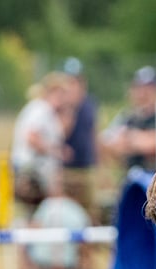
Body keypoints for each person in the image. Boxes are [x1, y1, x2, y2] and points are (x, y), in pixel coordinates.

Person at [10, 72, 71, 215]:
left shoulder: (44, 110)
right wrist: (55, 151)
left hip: (37, 173)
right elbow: (31, 137)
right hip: (33, 173)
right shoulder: (41, 109)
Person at [100, 66, 156, 173]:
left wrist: (127, 137)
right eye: (139, 88)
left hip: (154, 176)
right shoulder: (128, 116)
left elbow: (154, 144)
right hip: (131, 175)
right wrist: (139, 140)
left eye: (148, 89)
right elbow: (107, 142)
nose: (143, 94)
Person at [61, 57, 98, 223]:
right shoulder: (61, 105)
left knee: (88, 215)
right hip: (65, 170)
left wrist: (99, 164)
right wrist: (70, 107)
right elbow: (62, 133)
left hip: (85, 168)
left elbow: (93, 134)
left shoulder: (90, 104)